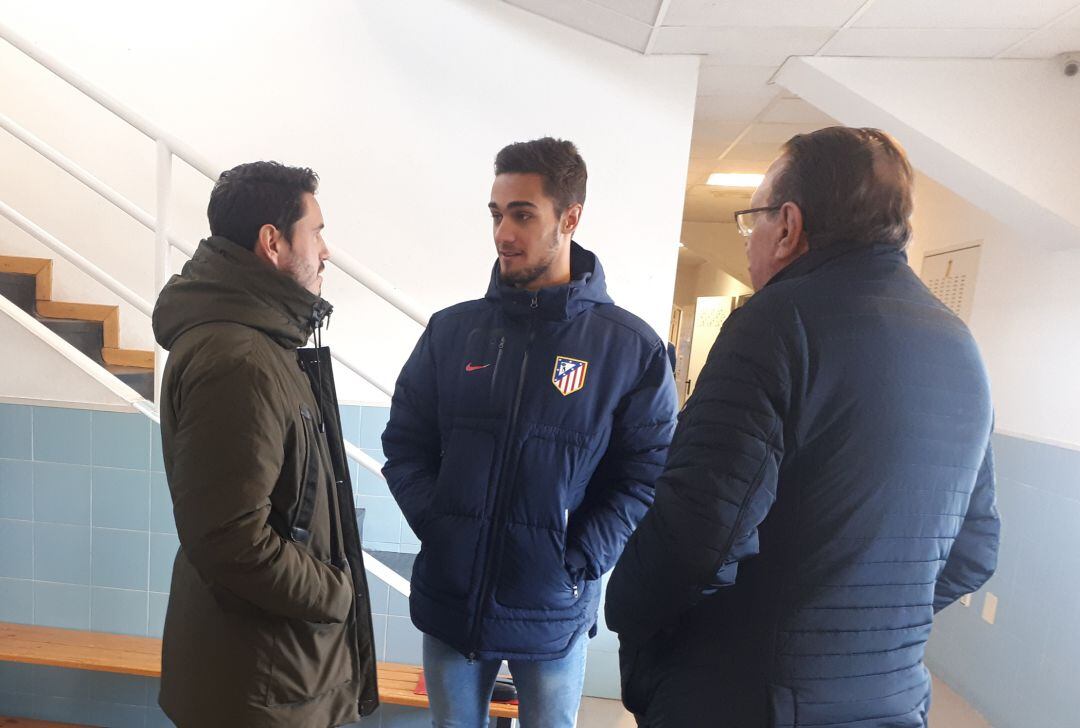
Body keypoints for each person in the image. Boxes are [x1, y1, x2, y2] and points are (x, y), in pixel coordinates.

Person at [606, 127, 1000, 728]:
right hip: (892, 701)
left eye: (753, 221)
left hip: (748, 698)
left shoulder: (777, 323)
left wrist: (625, 612)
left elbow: (698, 536)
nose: (749, 243)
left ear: (788, 226)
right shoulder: (960, 346)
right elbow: (974, 551)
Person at [381, 137, 678, 727]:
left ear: (569, 219)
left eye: (522, 214)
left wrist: (580, 557)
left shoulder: (629, 349)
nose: (502, 234)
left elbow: (646, 475)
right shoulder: (452, 332)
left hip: (552, 604)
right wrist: (441, 521)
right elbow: (404, 444)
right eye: (496, 214)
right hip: (452, 600)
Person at [152, 161, 378, 727]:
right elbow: (230, 539)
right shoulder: (239, 360)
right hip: (261, 684)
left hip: (272, 671)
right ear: (272, 242)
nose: (326, 251)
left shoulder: (261, 343)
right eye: (316, 231)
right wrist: (334, 594)